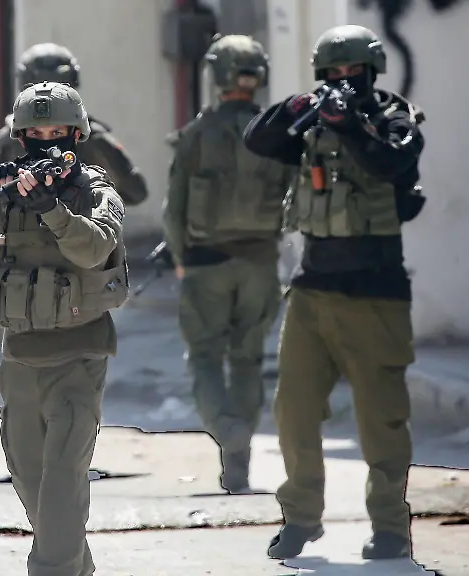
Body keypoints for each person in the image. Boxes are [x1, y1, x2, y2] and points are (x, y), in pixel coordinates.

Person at [0, 81, 128, 576]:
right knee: (27, 474)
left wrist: (52, 211)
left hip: (78, 355)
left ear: (76, 136)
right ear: (21, 138)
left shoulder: (94, 191)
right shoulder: (11, 194)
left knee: (62, 479)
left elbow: (93, 248)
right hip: (19, 355)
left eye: (57, 133)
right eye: (36, 134)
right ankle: (76, 567)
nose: (46, 143)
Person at [243, 24, 426, 560]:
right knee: (294, 411)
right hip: (311, 292)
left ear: (371, 73)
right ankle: (301, 517)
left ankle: (390, 527)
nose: (343, 80)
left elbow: (391, 161)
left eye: (353, 72)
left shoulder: (394, 119)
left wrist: (351, 125)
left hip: (375, 294)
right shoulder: (313, 124)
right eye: (333, 73)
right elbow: (258, 140)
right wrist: (297, 107)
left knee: (382, 420)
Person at [161, 35, 295, 495]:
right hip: (260, 262)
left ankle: (228, 433)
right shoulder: (276, 133)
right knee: (247, 360)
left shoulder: (197, 135)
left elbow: (174, 211)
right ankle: (237, 466)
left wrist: (180, 257)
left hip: (206, 263)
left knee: (204, 357)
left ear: (216, 75)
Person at [0, 43, 150, 207]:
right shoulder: (9, 138)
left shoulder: (92, 137)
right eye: (35, 133)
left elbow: (135, 191)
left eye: (57, 133)